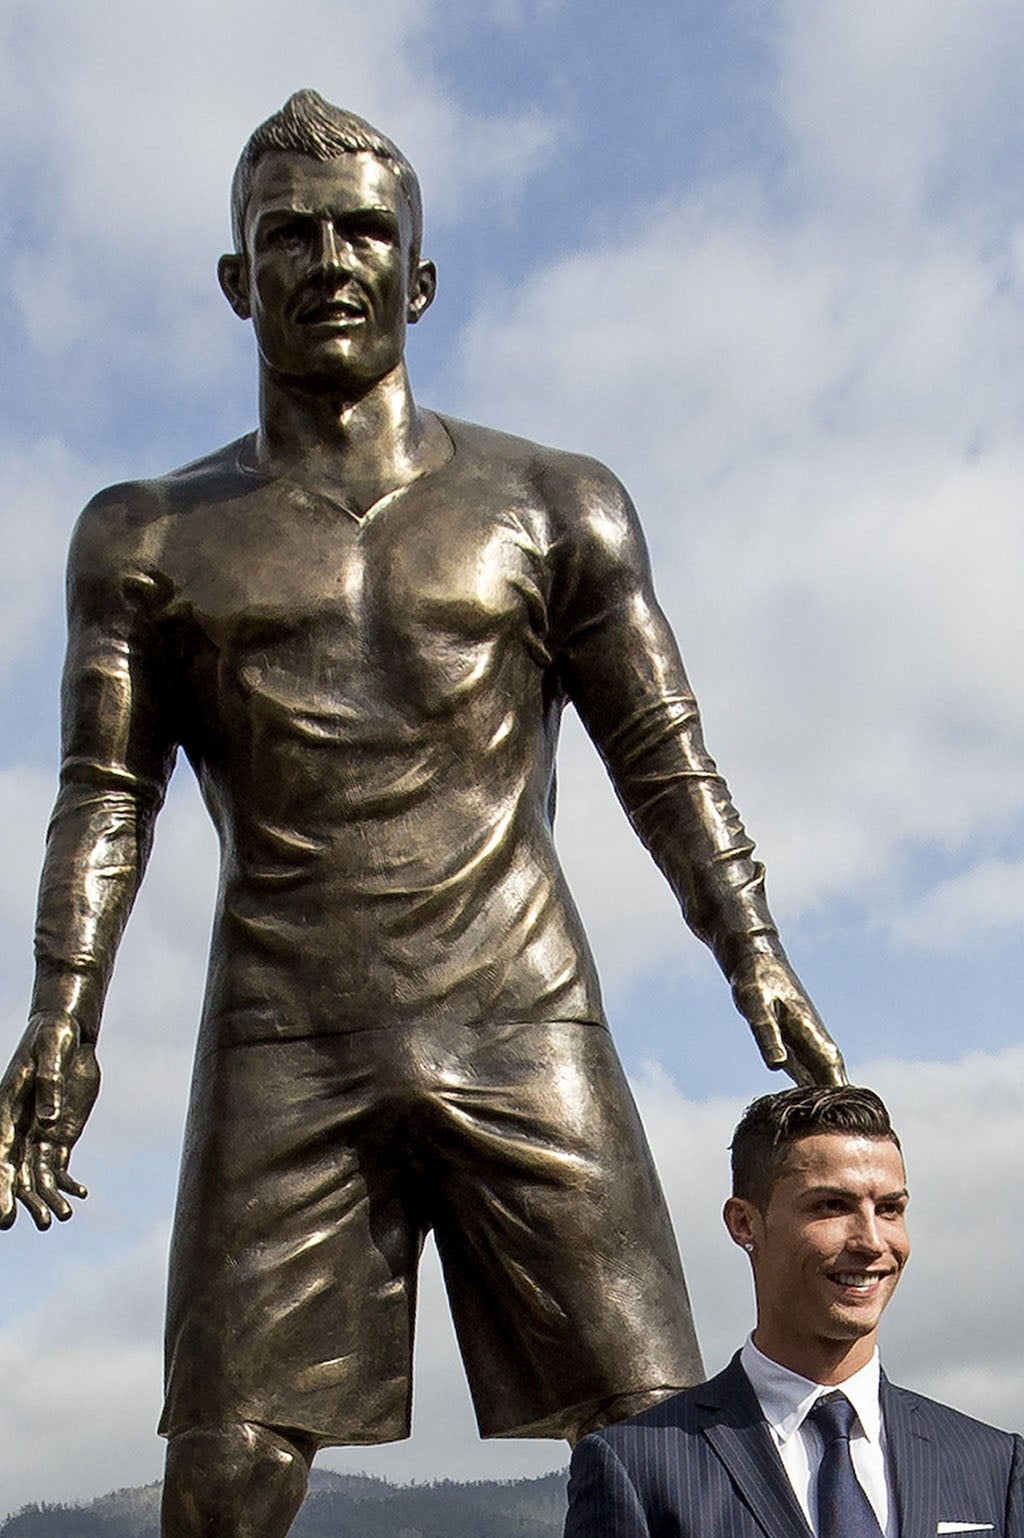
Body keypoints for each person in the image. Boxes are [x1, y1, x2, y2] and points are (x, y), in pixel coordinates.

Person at [0, 91, 844, 1538]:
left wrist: (750, 949)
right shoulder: (145, 534)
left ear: (422, 277)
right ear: (234, 281)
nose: (331, 259)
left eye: (365, 232)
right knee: (225, 1468)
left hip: (522, 1005)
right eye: (290, 236)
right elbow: (106, 797)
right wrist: (60, 1019)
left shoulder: (556, 502)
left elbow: (665, 752)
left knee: (659, 1443)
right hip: (285, 1033)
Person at [566, 1084, 1023, 1538]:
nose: (872, 1242)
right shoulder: (636, 1467)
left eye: (889, 1209)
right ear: (745, 1223)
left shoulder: (994, 1465)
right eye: (832, 1206)